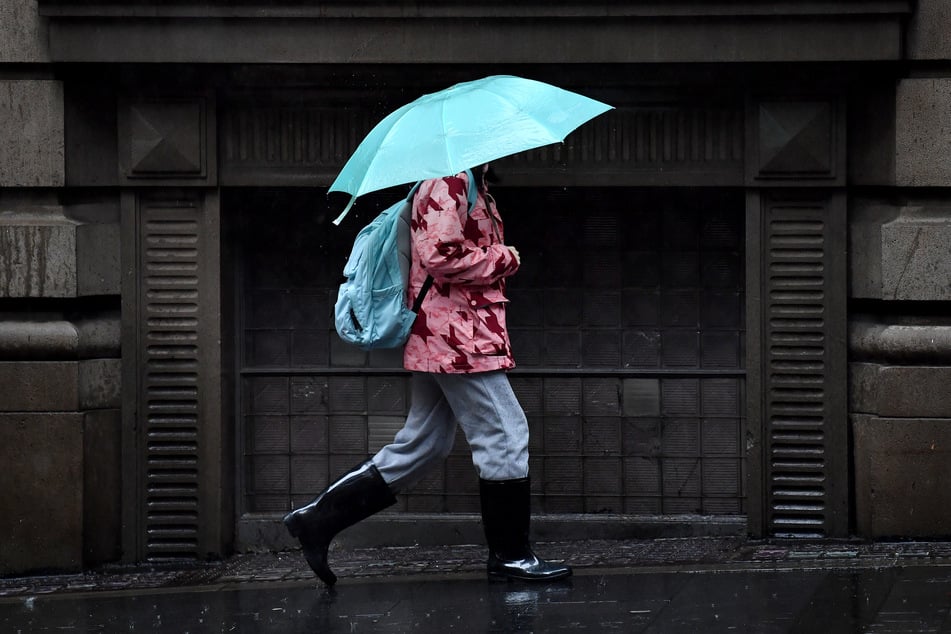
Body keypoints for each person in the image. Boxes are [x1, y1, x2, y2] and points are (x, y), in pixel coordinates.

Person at [283, 165, 571, 587]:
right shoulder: (448, 181)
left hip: (450, 333)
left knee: (425, 442)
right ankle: (511, 557)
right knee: (506, 434)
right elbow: (439, 255)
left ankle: (317, 520)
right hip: (456, 338)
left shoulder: (468, 183)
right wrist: (505, 257)